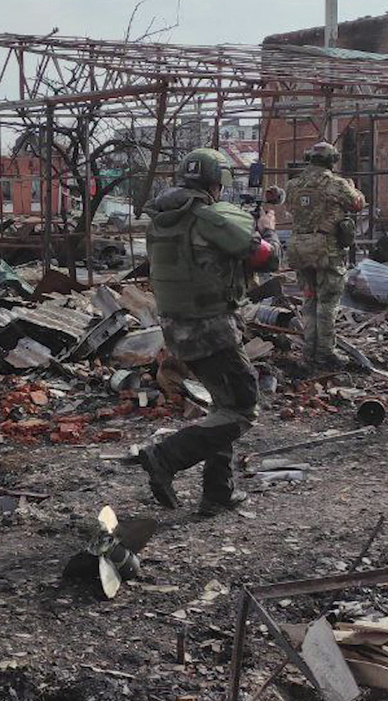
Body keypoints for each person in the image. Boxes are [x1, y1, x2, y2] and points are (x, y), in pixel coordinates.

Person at [133, 148, 282, 516]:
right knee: (243, 408)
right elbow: (267, 258)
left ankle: (218, 491)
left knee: (223, 405)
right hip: (212, 328)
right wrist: (268, 231)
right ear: (216, 185)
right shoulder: (210, 219)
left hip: (176, 328)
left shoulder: (161, 220)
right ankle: (165, 457)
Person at [284, 141, 365, 369]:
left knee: (309, 298)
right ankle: (325, 353)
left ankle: (309, 351)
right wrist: (353, 187)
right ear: (332, 161)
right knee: (327, 301)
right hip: (326, 250)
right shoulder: (335, 184)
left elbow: (292, 208)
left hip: (300, 248)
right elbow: (357, 203)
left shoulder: (293, 184)